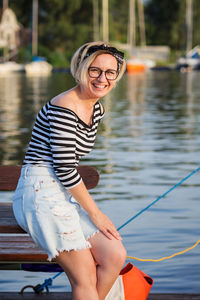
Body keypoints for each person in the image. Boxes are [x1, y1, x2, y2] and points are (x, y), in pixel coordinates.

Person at [13, 41, 127, 300]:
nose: (102, 78)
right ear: (81, 69)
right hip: (40, 193)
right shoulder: (65, 105)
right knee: (85, 276)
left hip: (63, 194)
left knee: (114, 255)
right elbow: (64, 168)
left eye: (110, 72)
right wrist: (96, 215)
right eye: (94, 70)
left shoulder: (96, 108)